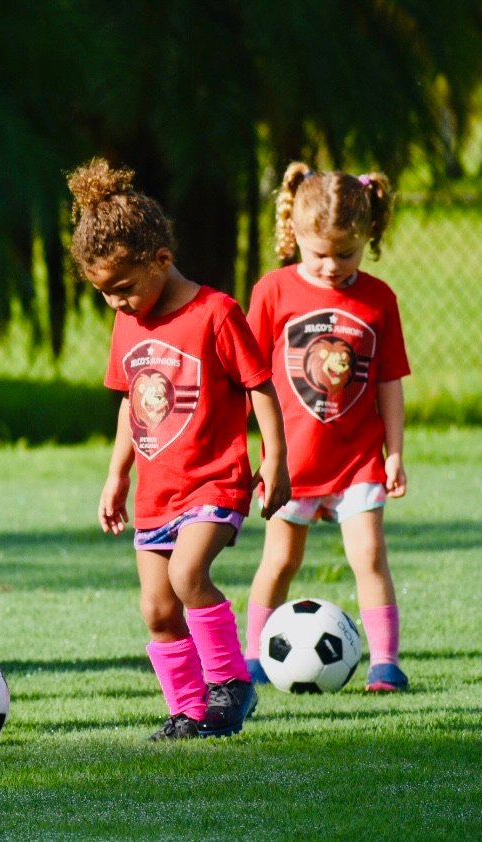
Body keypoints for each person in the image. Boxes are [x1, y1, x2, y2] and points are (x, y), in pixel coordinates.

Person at [68, 158, 291, 740]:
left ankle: (231, 684)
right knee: (158, 610)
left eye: (123, 288)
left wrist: (275, 459)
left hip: (214, 479)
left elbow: (259, 385)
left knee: (191, 574)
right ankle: (188, 711)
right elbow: (130, 405)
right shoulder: (129, 326)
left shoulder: (215, 312)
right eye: (103, 293)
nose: (115, 303)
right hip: (156, 492)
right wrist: (116, 477)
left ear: (161, 260)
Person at [243, 164, 410, 693]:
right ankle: (252, 658)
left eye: (348, 253)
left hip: (357, 458)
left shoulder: (379, 300)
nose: (333, 266)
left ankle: (385, 663)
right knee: (280, 559)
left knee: (368, 556)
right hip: (291, 461)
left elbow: (388, 382)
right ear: (293, 234)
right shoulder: (271, 291)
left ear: (368, 238)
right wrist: (252, 451)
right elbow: (248, 377)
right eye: (320, 254)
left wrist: (395, 452)